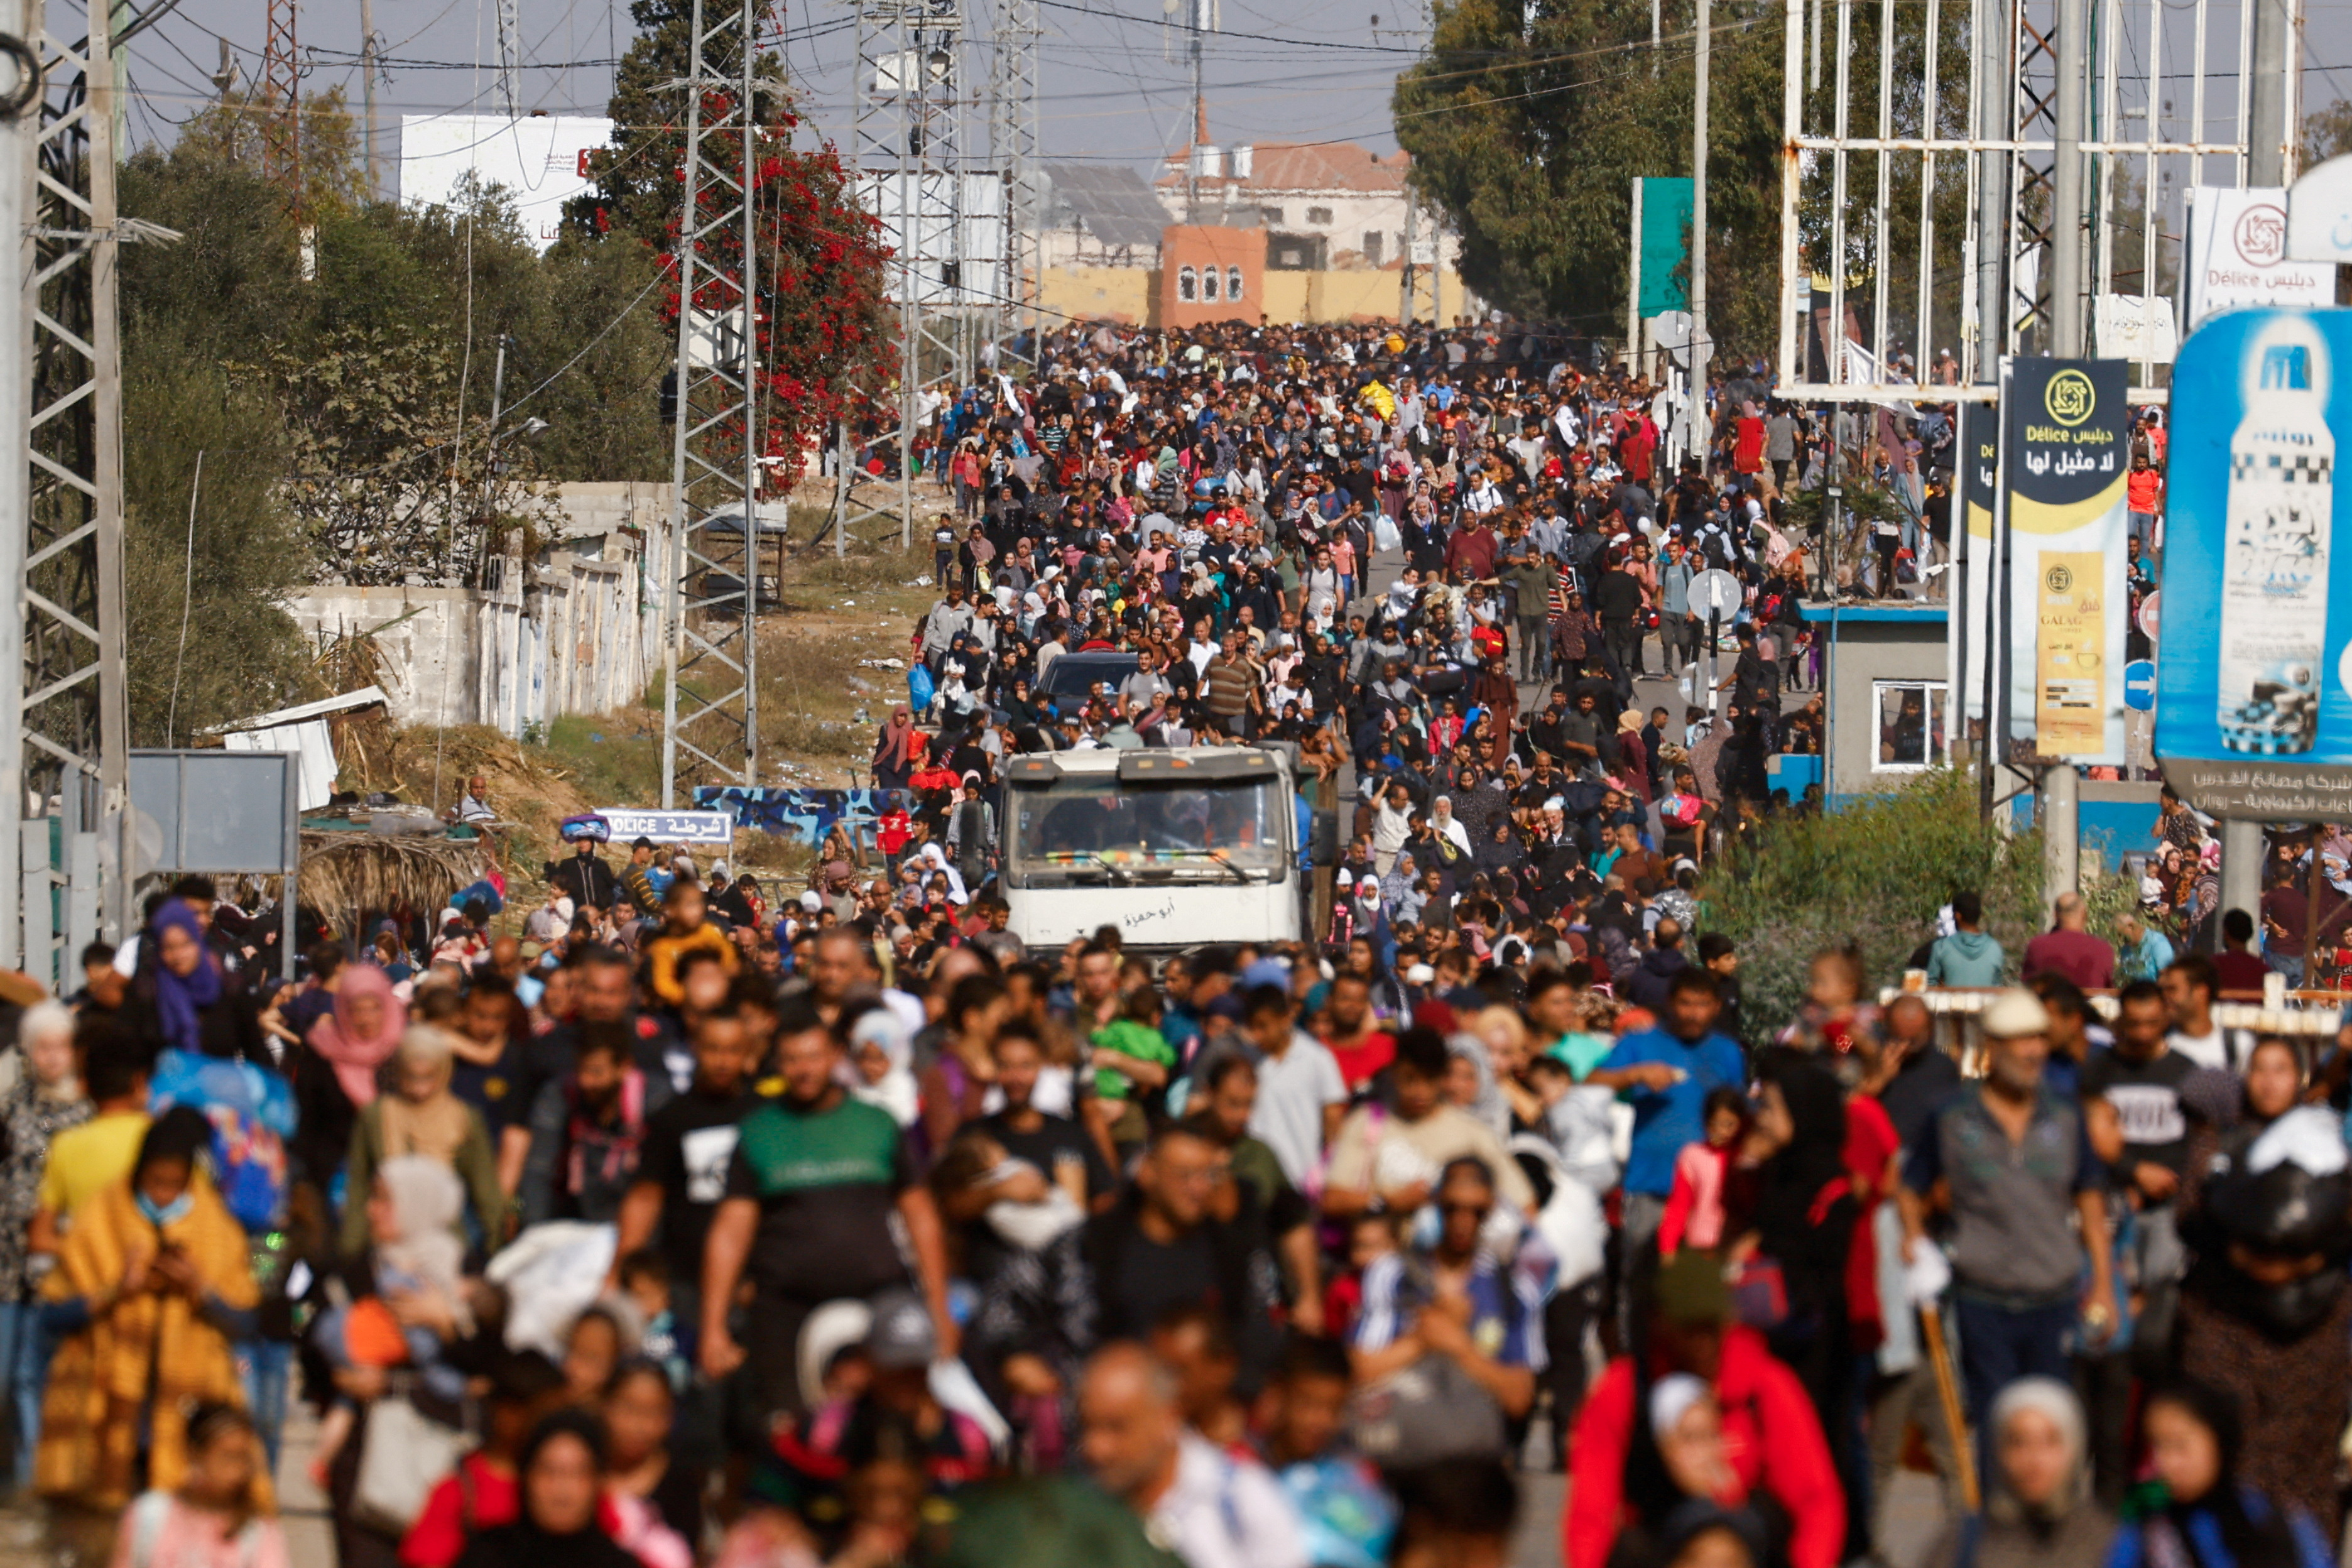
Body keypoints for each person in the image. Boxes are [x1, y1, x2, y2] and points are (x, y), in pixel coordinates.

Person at [699, 1009, 955, 1432]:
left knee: (892, 1424)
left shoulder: (877, 1124)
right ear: (778, 1062)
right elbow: (731, 1231)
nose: (804, 1070)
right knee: (783, 1429)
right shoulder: (759, 1131)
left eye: (814, 1057)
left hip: (878, 1299)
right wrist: (714, 1327)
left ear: (837, 1055)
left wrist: (938, 1308)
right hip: (786, 1306)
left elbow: (920, 1215)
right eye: (792, 1059)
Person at [1900, 988, 2116, 1434]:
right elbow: (1909, 1187)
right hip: (1981, 1298)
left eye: (2039, 1038)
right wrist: (1915, 1241)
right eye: (2021, 1040)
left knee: (2051, 1430)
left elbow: (2090, 1198)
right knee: (1996, 1429)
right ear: (1993, 1047)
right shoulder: (1952, 1117)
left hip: (2053, 1297)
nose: (2034, 1051)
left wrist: (2103, 1283)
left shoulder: (2067, 1116)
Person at [36, 1106, 260, 1510]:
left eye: (175, 1186)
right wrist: (116, 1289)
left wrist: (198, 1287)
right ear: (138, 1174)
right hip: (107, 1415)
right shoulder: (99, 1218)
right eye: (155, 1183)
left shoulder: (217, 1228)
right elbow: (53, 1316)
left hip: (185, 1415)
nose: (163, 1195)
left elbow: (244, 1320)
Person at [1564, 1251, 1846, 1568]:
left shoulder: (1764, 1383)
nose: (1704, 1342)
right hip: (1657, 1544)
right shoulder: (1624, 1389)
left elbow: (1815, 1500)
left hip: (1748, 1545)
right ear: (1661, 1322)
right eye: (1691, 1328)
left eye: (1712, 1327)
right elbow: (1591, 1513)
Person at [1077, 1341, 1309, 1568]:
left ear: (1168, 1418)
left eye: (1116, 1428)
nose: (1096, 1448)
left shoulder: (1239, 1497)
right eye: (1087, 1426)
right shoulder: (1078, 1511)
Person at [0, 1001, 88, 1486]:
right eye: (42, 1048)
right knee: (10, 1377)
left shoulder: (88, 1109)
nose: (52, 1058)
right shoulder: (14, 1104)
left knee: (46, 1376)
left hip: (63, 1262)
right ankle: (18, 1476)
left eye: (60, 1047)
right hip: (10, 1262)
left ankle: (43, 1480)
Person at [2105, 1381, 2333, 1568]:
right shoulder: (2147, 1526)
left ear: (2220, 1442)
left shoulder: (2275, 1519)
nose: (2168, 1463)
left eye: (2180, 1446)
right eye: (2159, 1446)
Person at [340, 1025, 505, 1257]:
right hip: (385, 1243)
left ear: (444, 1072)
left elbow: (486, 1187)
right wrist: (351, 1249)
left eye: (428, 1077)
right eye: (411, 1077)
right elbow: (358, 1184)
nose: (419, 1089)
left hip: (446, 1241)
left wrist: (493, 1248)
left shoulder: (463, 1119)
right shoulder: (377, 1116)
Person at [1918, 1378, 2113, 1568]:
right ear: (1998, 1450)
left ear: (2074, 1448)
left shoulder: (2110, 1546)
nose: (2035, 1460)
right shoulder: (1961, 1546)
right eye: (2019, 1442)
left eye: (2050, 1441)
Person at [107, 1402, 290, 1568]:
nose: (237, 1470)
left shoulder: (255, 1532)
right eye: (228, 1457)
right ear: (195, 1454)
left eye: (244, 1458)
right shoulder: (149, 1516)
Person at [451, 1412, 643, 1568]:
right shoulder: (487, 1554)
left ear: (598, 1481)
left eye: (577, 1474)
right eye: (549, 1472)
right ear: (527, 1476)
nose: (561, 1491)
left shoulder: (618, 1564)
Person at [2022, 894, 2115, 991]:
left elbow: (2027, 987)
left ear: (2055, 916)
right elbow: (2108, 992)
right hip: (2086, 1006)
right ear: (2084, 915)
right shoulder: (2103, 950)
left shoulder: (2036, 946)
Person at [1925, 891, 2006, 987]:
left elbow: (1930, 987)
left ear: (1957, 916)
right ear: (1979, 915)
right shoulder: (1995, 949)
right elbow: (1997, 988)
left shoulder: (1941, 947)